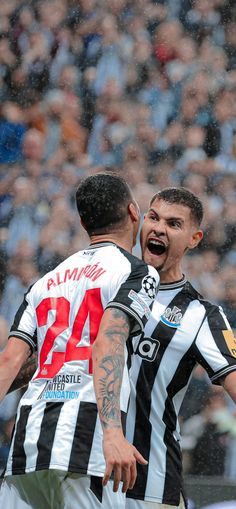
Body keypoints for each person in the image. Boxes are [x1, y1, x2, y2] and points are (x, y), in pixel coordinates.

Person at [0, 172, 159, 509]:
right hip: (85, 443)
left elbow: (9, 362)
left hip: (28, 445)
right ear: (134, 213)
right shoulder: (136, 272)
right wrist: (113, 433)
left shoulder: (47, 280)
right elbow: (107, 342)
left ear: (84, 222)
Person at [124, 187, 236, 509]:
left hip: (152, 486)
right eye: (154, 217)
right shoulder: (110, 285)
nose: (158, 228)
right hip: (89, 475)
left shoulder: (201, 315)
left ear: (194, 239)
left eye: (173, 224)